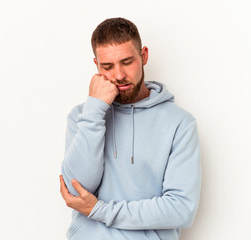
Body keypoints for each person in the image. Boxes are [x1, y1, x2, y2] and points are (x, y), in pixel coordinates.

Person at [59, 17, 201, 240]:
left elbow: (181, 209)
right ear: (96, 65)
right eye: (107, 67)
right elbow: (77, 193)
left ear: (143, 55)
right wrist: (95, 110)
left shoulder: (179, 124)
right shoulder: (83, 116)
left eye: (127, 62)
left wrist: (101, 211)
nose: (118, 75)